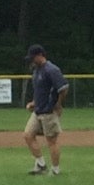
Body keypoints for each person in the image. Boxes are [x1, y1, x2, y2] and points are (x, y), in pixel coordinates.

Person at [24, 44, 68, 176]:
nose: (31, 60)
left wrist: (58, 104)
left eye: (33, 58)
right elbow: (41, 91)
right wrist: (34, 102)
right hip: (37, 111)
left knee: (51, 141)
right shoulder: (37, 70)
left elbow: (64, 88)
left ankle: (55, 170)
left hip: (49, 111)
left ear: (40, 55)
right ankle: (41, 164)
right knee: (28, 135)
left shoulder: (51, 69)